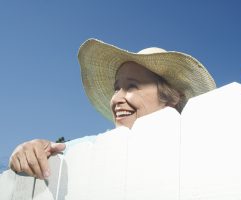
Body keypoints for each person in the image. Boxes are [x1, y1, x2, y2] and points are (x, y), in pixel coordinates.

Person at [9, 38, 216, 179]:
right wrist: (29, 149)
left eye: (132, 86)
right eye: (117, 88)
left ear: (170, 98)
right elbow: (54, 150)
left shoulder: (199, 145)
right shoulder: (97, 144)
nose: (116, 98)